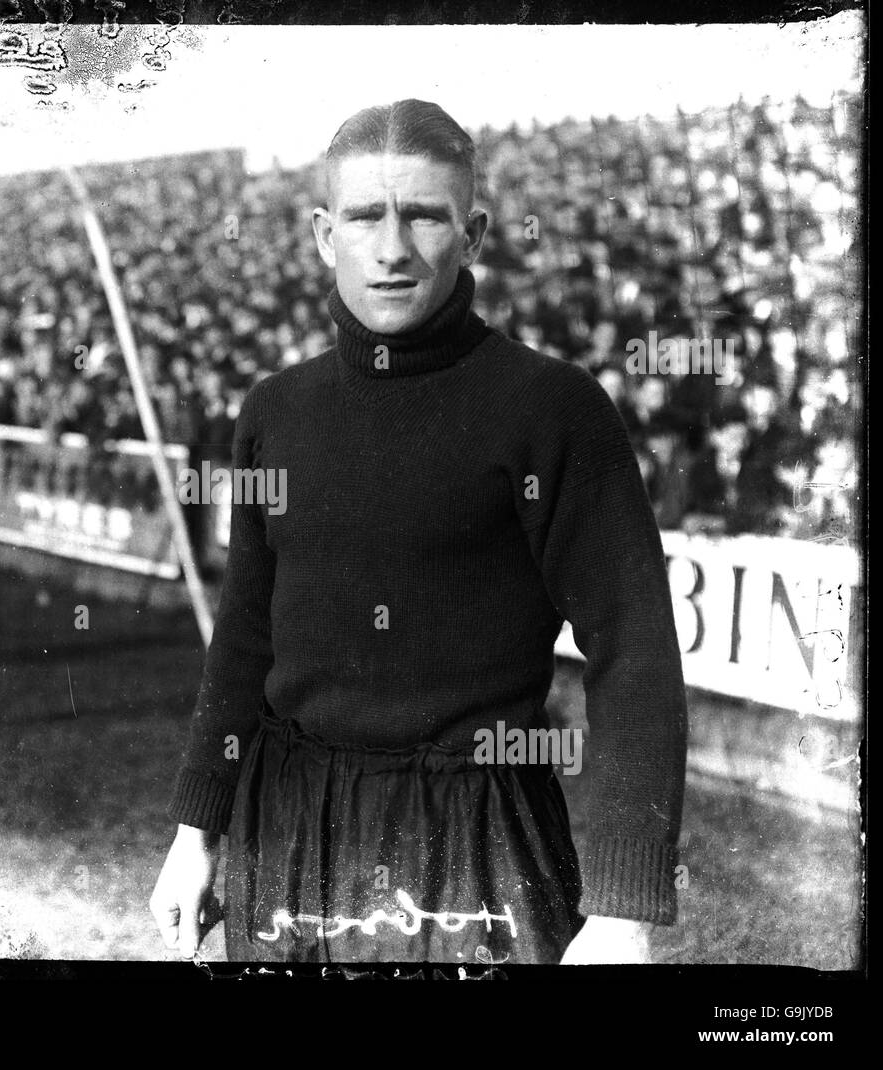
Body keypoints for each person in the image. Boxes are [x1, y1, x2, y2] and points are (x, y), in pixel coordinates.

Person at [150, 100, 688, 966]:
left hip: (480, 836)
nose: (392, 247)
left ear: (471, 234)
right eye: (365, 216)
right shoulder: (274, 411)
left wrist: (625, 905)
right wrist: (198, 827)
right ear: (326, 235)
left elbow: (636, 651)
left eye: (424, 215)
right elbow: (245, 637)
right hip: (286, 826)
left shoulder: (553, 409)